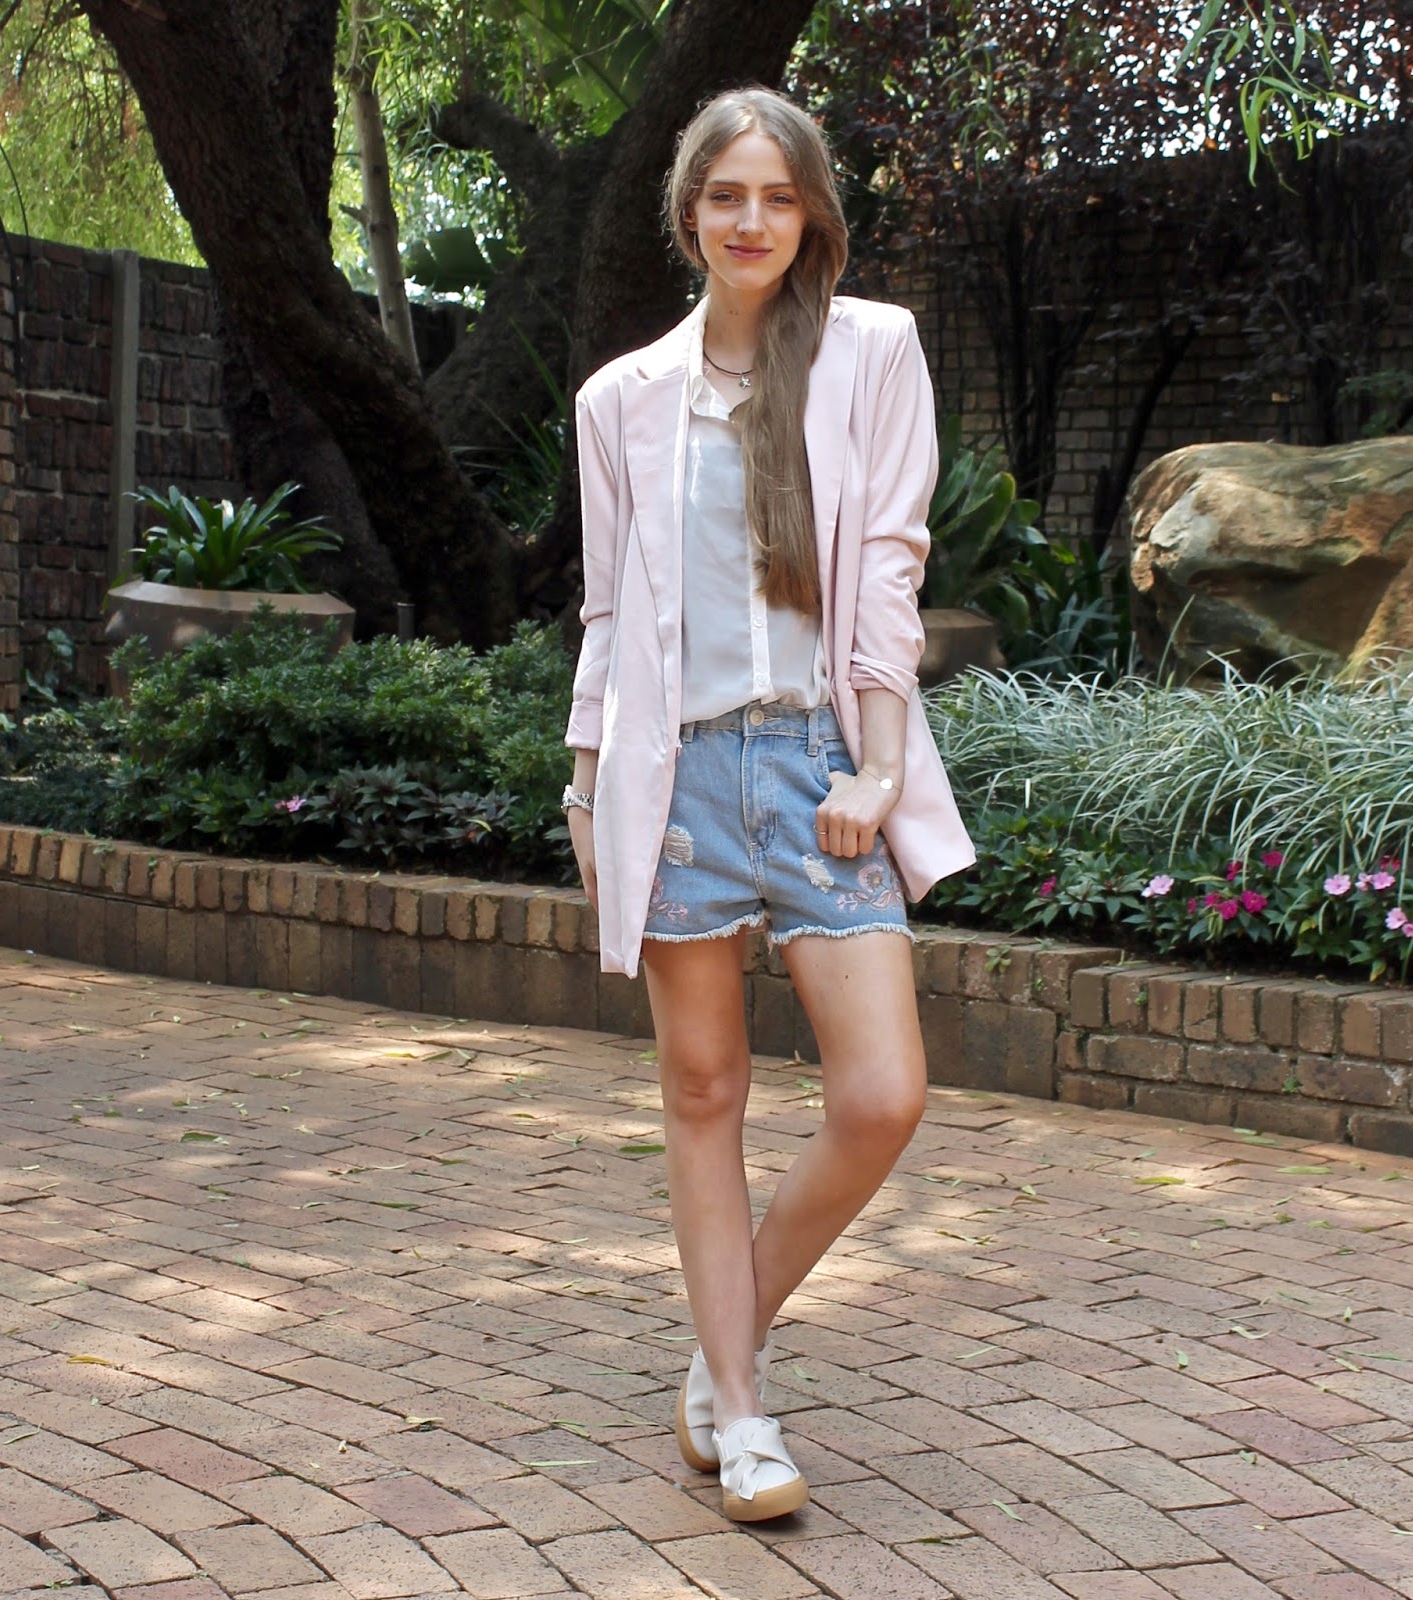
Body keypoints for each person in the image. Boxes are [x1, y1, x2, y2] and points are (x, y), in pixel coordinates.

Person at [562, 85, 976, 1523]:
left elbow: (889, 579)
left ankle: (720, 1337)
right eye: (727, 196)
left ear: (812, 217)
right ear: (690, 216)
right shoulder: (622, 399)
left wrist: (877, 769)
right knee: (703, 1093)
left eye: (778, 196)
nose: (752, 220)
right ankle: (741, 1414)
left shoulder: (873, 354)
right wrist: (586, 787)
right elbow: (607, 618)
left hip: (815, 767)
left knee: (882, 1094)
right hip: (674, 776)